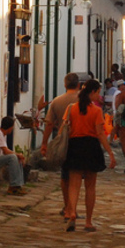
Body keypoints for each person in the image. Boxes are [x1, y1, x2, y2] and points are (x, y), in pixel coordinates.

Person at [62, 79, 117, 232]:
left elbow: (63, 129)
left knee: (73, 185)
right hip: (91, 147)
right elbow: (100, 134)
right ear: (92, 92)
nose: (99, 96)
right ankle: (88, 221)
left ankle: (72, 212)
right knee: (90, 187)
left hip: (75, 146)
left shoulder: (71, 108)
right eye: (98, 92)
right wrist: (110, 153)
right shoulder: (96, 111)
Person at [40, 73, 81, 216]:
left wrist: (44, 143)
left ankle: (67, 206)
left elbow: (49, 124)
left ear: (65, 84)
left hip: (63, 141)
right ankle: (73, 207)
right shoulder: (83, 100)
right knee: (76, 176)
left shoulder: (56, 102)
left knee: (65, 176)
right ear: (78, 85)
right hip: (80, 141)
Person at [0, 117, 28, 195]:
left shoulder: (0, 134)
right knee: (12, 157)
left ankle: (18, 185)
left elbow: (5, 152)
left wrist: (18, 156)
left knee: (15, 157)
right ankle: (14, 186)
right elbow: (6, 151)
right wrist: (18, 154)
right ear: (10, 128)